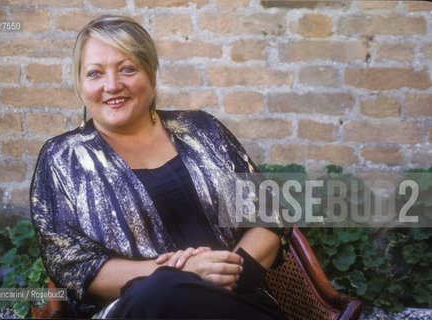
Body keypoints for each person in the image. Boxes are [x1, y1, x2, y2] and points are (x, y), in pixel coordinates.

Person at [30, 14, 291, 319]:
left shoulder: (202, 131)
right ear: (80, 83)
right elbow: (73, 265)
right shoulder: (62, 159)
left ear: (150, 73)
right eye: (95, 73)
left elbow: (268, 216)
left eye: (127, 69)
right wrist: (183, 274)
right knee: (160, 290)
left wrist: (223, 278)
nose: (112, 85)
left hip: (231, 304)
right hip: (131, 309)